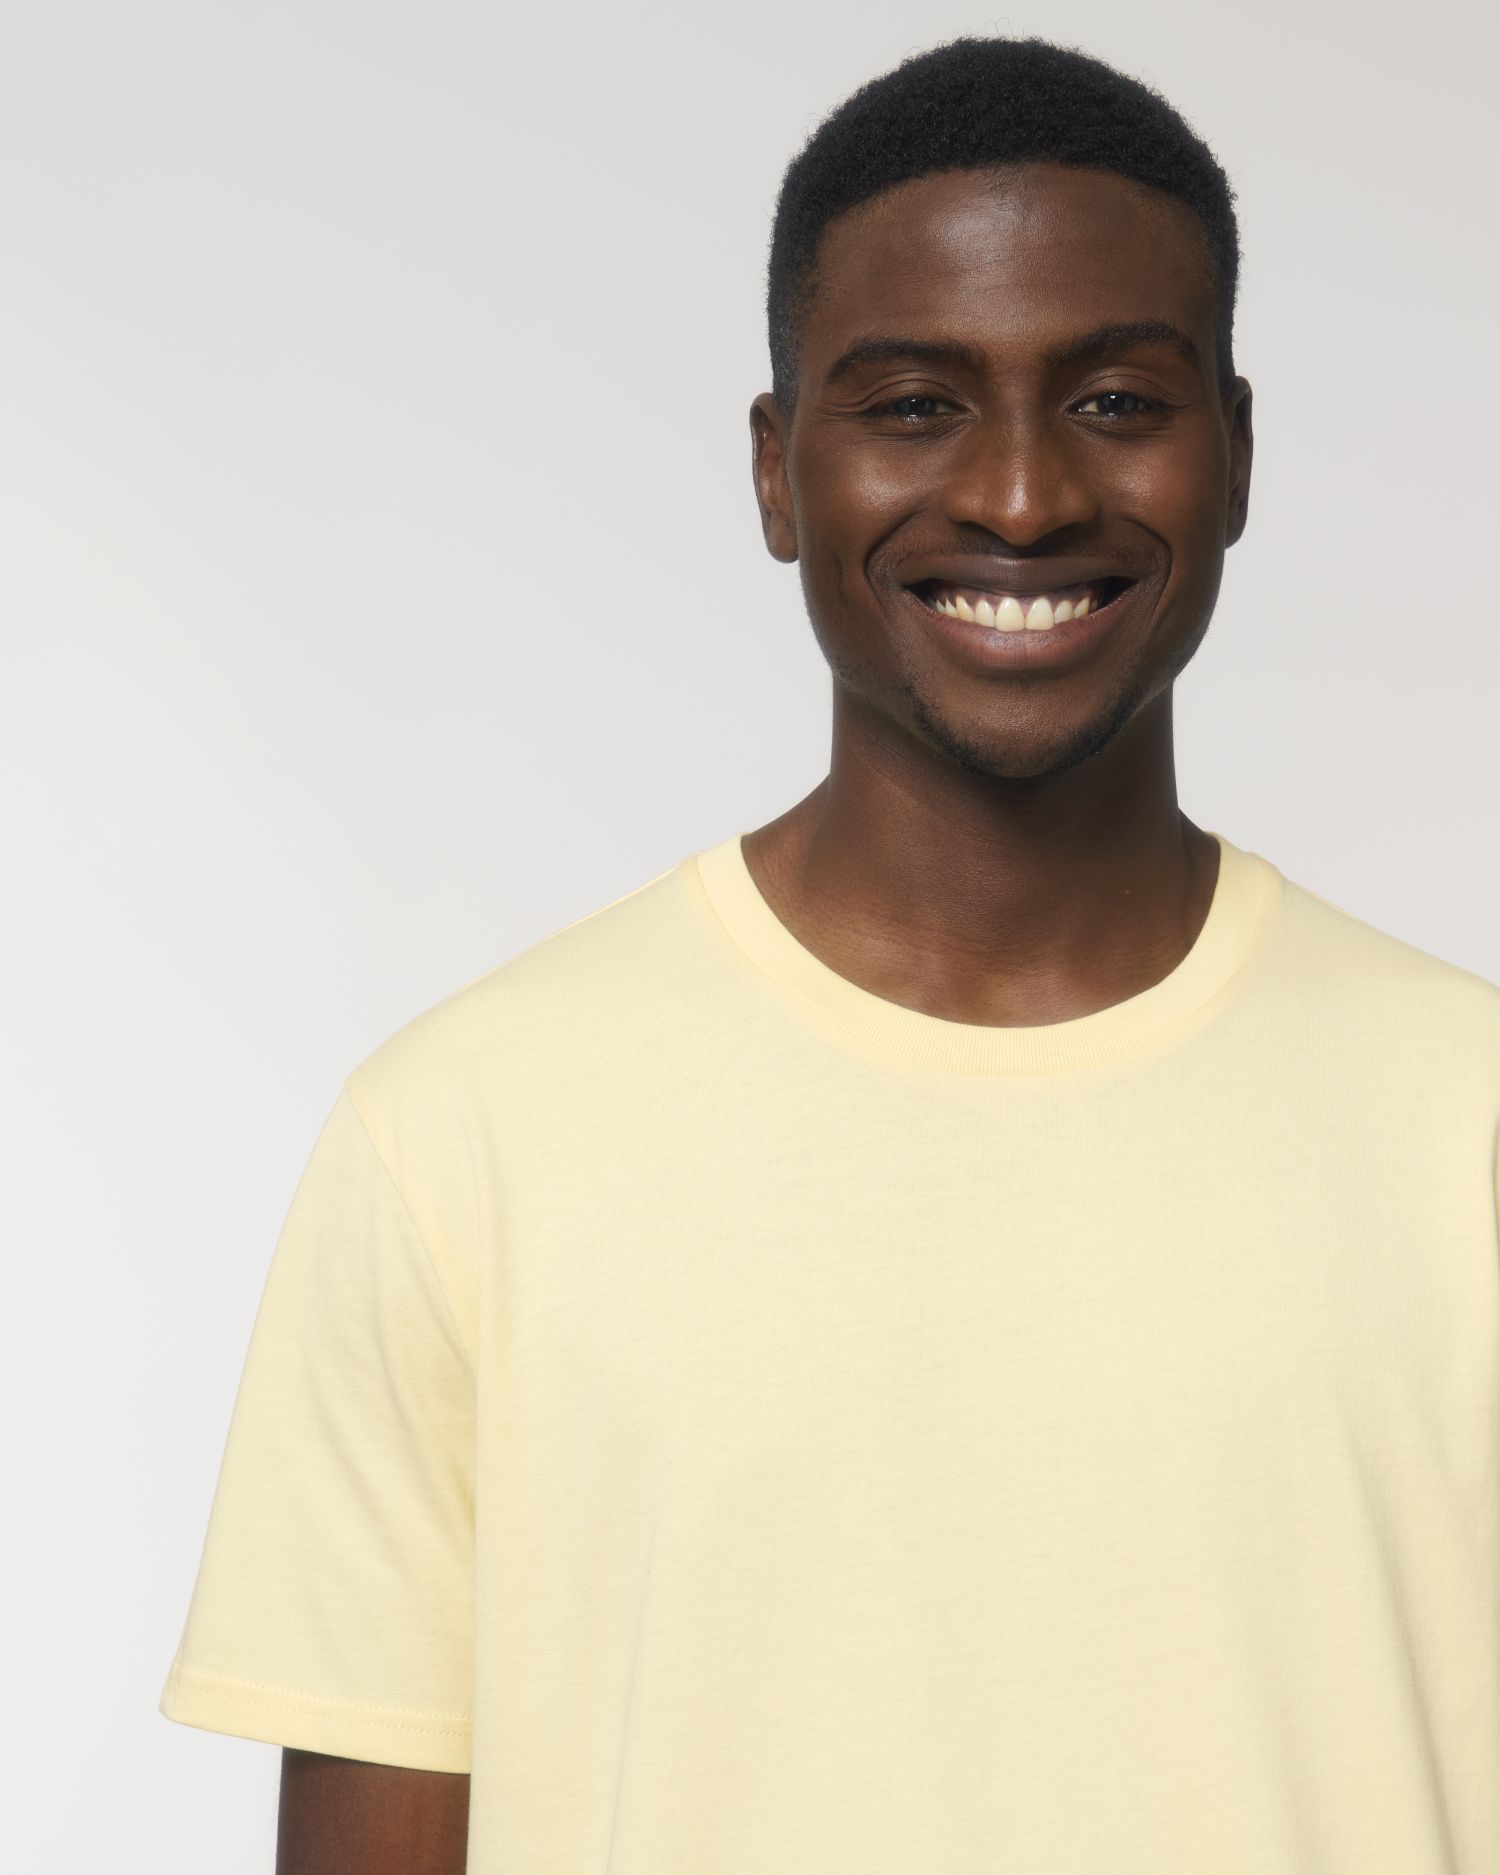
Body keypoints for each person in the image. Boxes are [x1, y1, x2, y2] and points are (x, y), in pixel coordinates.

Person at [160, 34, 1500, 1875]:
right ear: (778, 472)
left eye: (1117, 398)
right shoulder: (463, 1139)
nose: (1022, 498)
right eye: (916, 404)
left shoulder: (1468, 1125)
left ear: (1240, 455)